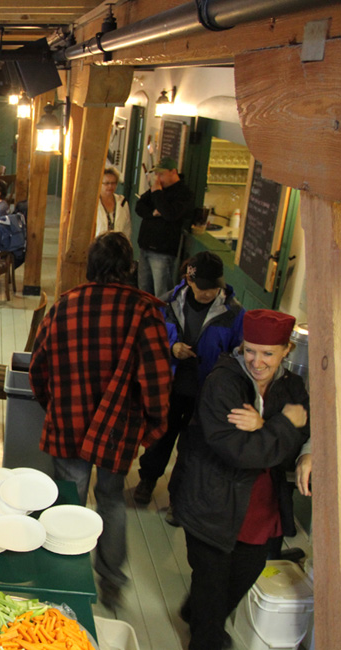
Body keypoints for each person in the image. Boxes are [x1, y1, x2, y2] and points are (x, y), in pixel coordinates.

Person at [29, 231, 172, 608]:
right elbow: (156, 379)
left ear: (90, 267)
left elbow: (38, 367)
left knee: (68, 501)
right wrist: (152, 428)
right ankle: (111, 583)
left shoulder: (65, 305)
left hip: (68, 419)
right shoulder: (144, 312)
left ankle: (65, 578)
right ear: (129, 269)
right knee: (111, 501)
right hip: (118, 427)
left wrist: (54, 406)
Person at [172, 309, 309, 650]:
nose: (257, 361)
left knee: (244, 574)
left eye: (268, 353)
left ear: (286, 350)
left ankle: (198, 611)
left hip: (261, 506)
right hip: (211, 502)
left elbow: (303, 430)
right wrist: (282, 426)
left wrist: (266, 429)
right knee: (212, 584)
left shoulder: (292, 386)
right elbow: (241, 453)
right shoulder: (223, 383)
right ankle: (206, 636)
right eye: (250, 350)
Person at [133, 251, 244, 508]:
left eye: (213, 287)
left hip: (207, 391)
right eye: (202, 287)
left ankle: (180, 495)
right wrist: (172, 349)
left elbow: (239, 353)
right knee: (161, 436)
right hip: (171, 387)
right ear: (189, 280)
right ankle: (148, 479)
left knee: (194, 445)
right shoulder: (167, 304)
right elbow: (147, 342)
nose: (208, 293)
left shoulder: (234, 314)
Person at [135, 157, 195, 297]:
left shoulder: (184, 194)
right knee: (143, 291)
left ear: (173, 172)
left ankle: (161, 318)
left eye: (161, 174)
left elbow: (169, 214)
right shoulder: (157, 189)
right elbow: (139, 207)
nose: (158, 178)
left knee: (161, 293)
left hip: (163, 251)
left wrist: (157, 193)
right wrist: (153, 213)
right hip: (145, 247)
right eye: (156, 174)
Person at [95, 167, 131, 242]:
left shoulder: (122, 203)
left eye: (113, 183)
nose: (110, 186)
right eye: (107, 183)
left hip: (117, 247)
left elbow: (127, 228)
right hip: (98, 247)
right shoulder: (94, 203)